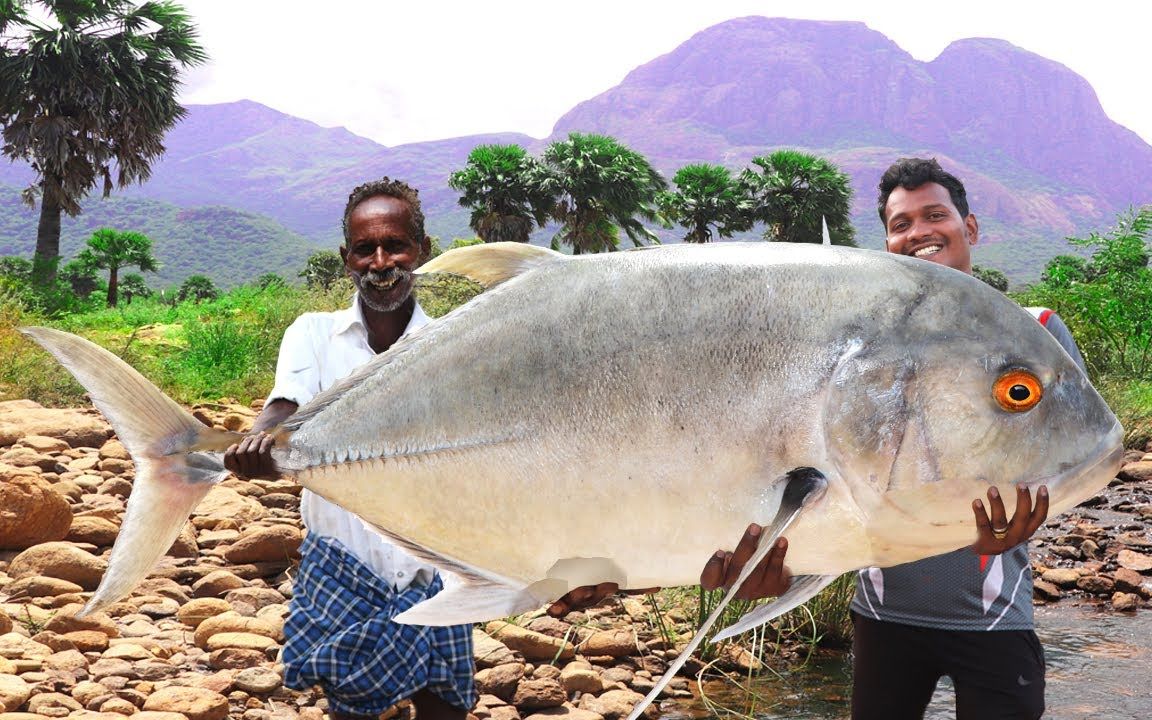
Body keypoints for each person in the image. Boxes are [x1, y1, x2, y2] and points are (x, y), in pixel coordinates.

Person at [691, 158, 1076, 720]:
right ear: (888, 243)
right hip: (882, 615)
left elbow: (1071, 454)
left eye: (934, 214)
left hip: (993, 614)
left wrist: (1037, 515)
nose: (919, 232)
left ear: (969, 228)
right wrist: (774, 564)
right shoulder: (863, 342)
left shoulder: (1033, 331)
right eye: (901, 224)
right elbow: (819, 467)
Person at [223, 178, 476, 720]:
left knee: (445, 709)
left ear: (422, 250)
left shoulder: (453, 344)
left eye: (396, 245)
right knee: (353, 708)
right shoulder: (313, 333)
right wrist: (259, 440)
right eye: (365, 249)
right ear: (347, 259)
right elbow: (286, 407)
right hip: (343, 563)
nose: (381, 261)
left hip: (433, 568)